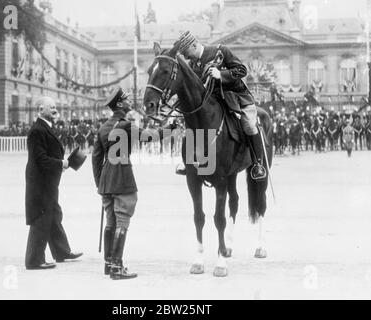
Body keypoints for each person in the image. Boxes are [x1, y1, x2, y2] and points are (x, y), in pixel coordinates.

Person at [92, 87, 174, 280]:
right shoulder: (126, 125)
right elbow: (150, 136)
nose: (130, 101)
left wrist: (100, 184)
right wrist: (172, 128)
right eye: (127, 99)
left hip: (106, 180)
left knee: (111, 222)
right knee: (122, 221)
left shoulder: (103, 128)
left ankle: (109, 263)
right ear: (120, 104)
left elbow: (96, 159)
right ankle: (118, 267)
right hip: (122, 178)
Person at [173, 31, 266, 180]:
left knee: (248, 124)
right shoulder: (191, 65)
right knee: (192, 125)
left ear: (194, 45)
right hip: (212, 102)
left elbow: (242, 70)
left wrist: (221, 75)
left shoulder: (220, 51)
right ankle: (189, 162)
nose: (185, 56)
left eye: (186, 52)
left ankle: (258, 163)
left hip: (236, 97)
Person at [25, 96, 82, 270]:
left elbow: (47, 155)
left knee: (54, 215)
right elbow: (40, 159)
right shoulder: (37, 130)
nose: (55, 110)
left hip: (48, 182)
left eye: (55, 106)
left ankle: (61, 251)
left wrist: (60, 164)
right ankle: (34, 260)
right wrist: (60, 164)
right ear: (40, 109)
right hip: (40, 184)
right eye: (51, 107)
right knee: (41, 218)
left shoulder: (45, 128)